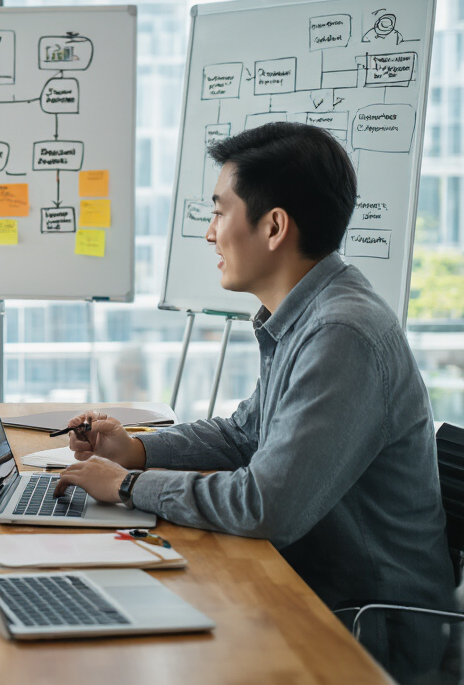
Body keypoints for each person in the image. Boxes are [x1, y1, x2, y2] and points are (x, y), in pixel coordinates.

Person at [54, 122, 454, 677]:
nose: (209, 233)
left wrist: (125, 486)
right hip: (314, 589)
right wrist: (136, 451)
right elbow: (246, 434)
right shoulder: (312, 314)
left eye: (219, 212)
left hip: (370, 629)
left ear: (273, 227)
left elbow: (267, 505)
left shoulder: (343, 334)